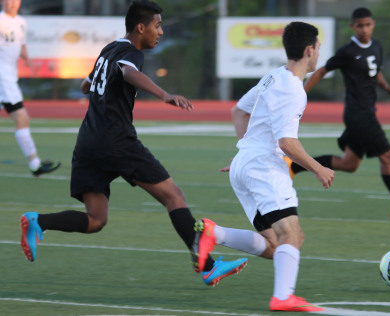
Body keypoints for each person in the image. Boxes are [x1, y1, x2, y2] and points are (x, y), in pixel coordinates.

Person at [20, 0, 247, 287]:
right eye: (157, 25)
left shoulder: (108, 50)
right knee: (173, 197)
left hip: (88, 143)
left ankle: (39, 221)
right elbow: (128, 72)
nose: (161, 32)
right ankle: (207, 266)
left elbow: (85, 86)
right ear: (141, 28)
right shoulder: (130, 52)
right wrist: (164, 94)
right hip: (117, 141)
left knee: (95, 220)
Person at [194, 22, 334, 312]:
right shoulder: (294, 89)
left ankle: (213, 233)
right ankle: (283, 297)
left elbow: (239, 111)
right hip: (263, 167)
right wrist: (318, 168)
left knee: (274, 245)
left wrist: (247, 151)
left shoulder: (273, 77)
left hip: (245, 165)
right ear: (309, 50)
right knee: (291, 235)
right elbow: (286, 143)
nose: (318, 53)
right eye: (318, 48)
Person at [292, 7, 390, 222]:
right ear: (353, 27)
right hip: (359, 115)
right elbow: (321, 71)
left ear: (373, 24)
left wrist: (387, 88)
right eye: (360, 25)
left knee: (349, 164)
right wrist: (301, 94)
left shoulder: (376, 46)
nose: (364, 29)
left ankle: (292, 165)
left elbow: (375, 72)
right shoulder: (347, 51)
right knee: (388, 156)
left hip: (366, 112)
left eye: (368, 24)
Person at [0, 0, 61, 176]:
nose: (12, 3)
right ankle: (35, 165)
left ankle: (35, 165)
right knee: (22, 118)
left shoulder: (20, 22)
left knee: (21, 118)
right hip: (3, 78)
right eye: (8, 0)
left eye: (15, 0)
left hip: (9, 76)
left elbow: (21, 44)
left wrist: (27, 58)